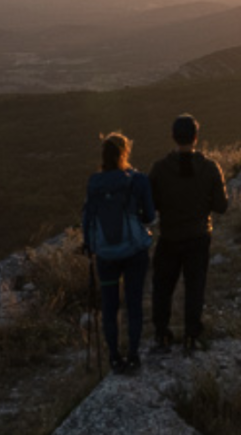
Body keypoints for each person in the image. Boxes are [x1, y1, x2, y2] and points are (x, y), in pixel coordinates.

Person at [148, 113, 228, 354]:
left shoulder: (160, 169)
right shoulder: (210, 167)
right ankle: (191, 336)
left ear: (173, 137)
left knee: (162, 288)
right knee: (195, 287)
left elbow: (151, 206)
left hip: (170, 237)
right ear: (196, 137)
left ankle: (161, 334)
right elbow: (222, 206)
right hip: (198, 237)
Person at [83, 132, 156, 374]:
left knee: (110, 305)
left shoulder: (94, 183)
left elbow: (88, 218)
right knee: (134, 302)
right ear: (125, 152)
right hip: (134, 251)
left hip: (105, 254)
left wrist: (89, 245)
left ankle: (114, 357)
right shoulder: (138, 180)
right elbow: (150, 216)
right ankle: (133, 354)